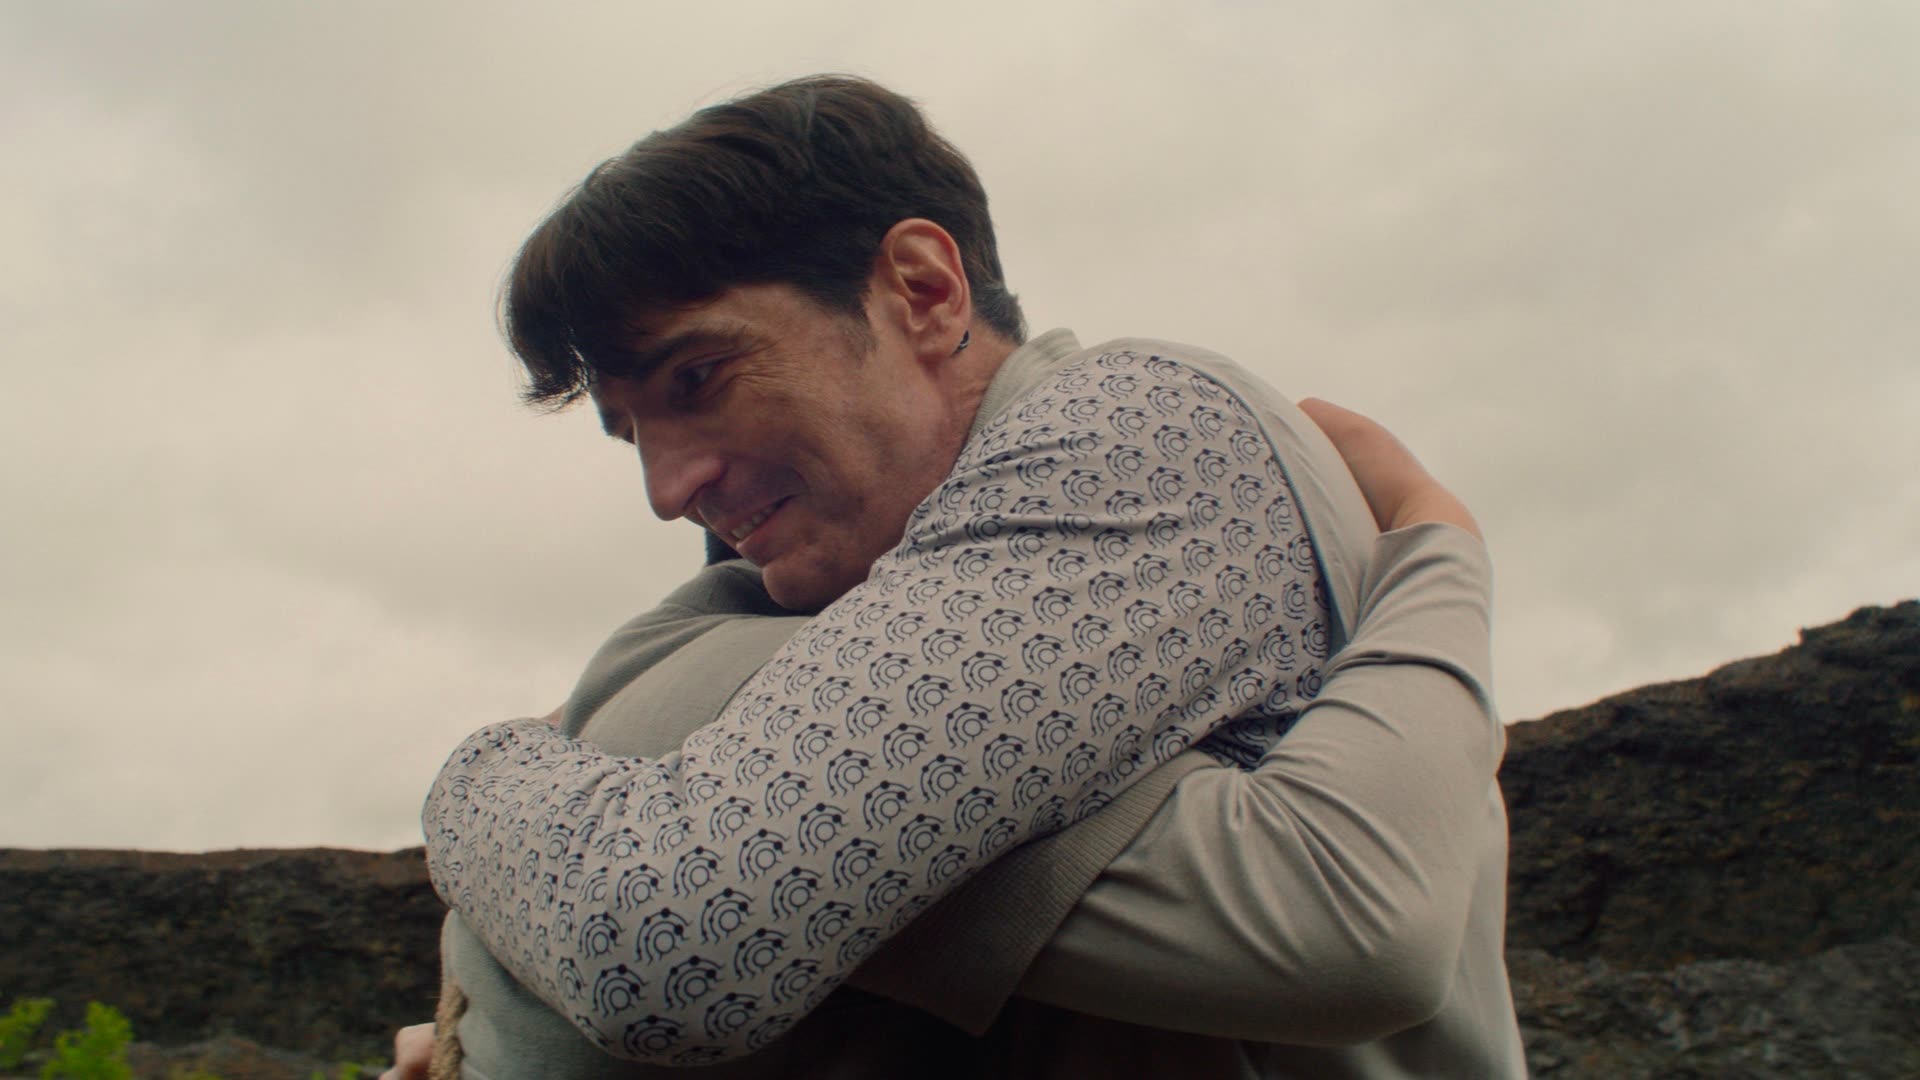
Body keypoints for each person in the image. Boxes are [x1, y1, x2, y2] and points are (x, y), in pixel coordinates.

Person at [410, 75, 1522, 1076]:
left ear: (924, 289)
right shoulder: (863, 578)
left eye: (697, 378)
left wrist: (481, 776)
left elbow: (673, 944)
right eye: (630, 436)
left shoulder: (1138, 429)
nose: (667, 489)